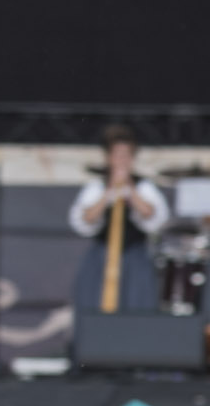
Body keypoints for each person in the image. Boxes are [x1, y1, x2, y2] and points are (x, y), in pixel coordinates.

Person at [67, 125, 169, 320]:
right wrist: (109, 191)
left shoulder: (143, 186)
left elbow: (151, 214)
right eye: (117, 156)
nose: (122, 161)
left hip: (135, 255)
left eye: (126, 156)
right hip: (103, 256)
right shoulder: (97, 186)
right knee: (96, 302)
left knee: (137, 303)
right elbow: (86, 218)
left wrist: (130, 189)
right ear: (109, 158)